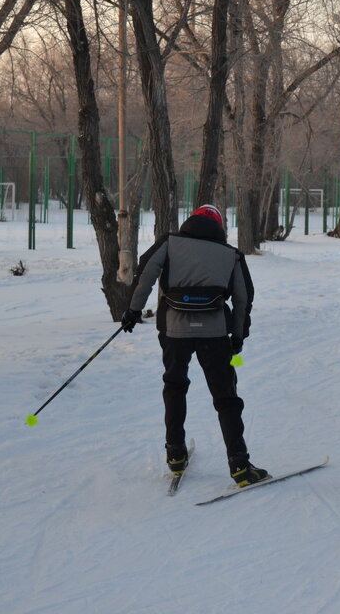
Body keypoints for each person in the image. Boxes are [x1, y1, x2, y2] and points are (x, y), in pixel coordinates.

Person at [120, 204, 268, 488]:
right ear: (219, 226)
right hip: (215, 334)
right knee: (226, 398)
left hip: (174, 331)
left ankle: (175, 453)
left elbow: (146, 273)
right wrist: (238, 337)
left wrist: (133, 310)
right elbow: (243, 298)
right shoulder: (231, 255)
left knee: (174, 386)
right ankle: (240, 465)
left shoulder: (170, 242)